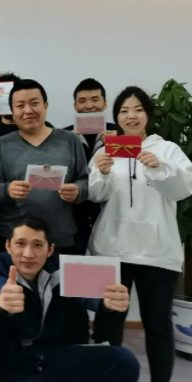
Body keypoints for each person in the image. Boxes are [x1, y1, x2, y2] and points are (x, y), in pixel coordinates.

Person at [88, 86, 192, 382]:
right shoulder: (105, 150)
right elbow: (95, 194)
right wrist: (102, 173)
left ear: (148, 114)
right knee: (108, 320)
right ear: (116, 117)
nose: (131, 116)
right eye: (124, 111)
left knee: (158, 324)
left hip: (157, 252)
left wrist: (159, 167)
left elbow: (184, 189)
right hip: (112, 248)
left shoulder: (168, 149)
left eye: (137, 109)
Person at [0, 215, 139, 382]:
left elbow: (91, 294)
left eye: (37, 245)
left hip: (51, 356)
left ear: (50, 250)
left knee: (123, 360)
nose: (28, 254)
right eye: (20, 243)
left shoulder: (62, 266)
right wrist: (1, 299)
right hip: (7, 364)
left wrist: (108, 301)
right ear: (8, 246)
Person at [0, 78, 89, 254]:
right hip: (15, 240)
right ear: (12, 111)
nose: (28, 110)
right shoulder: (1, 145)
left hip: (60, 238)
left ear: (46, 106)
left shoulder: (70, 140)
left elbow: (85, 181)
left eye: (34, 103)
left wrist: (77, 191)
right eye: (20, 106)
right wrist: (8, 189)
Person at [63, 78, 119, 253]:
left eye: (95, 100)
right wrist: (66, 144)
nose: (89, 106)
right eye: (82, 101)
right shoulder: (62, 135)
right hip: (73, 216)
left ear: (105, 104)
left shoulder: (119, 133)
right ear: (75, 106)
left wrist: (118, 142)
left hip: (110, 215)